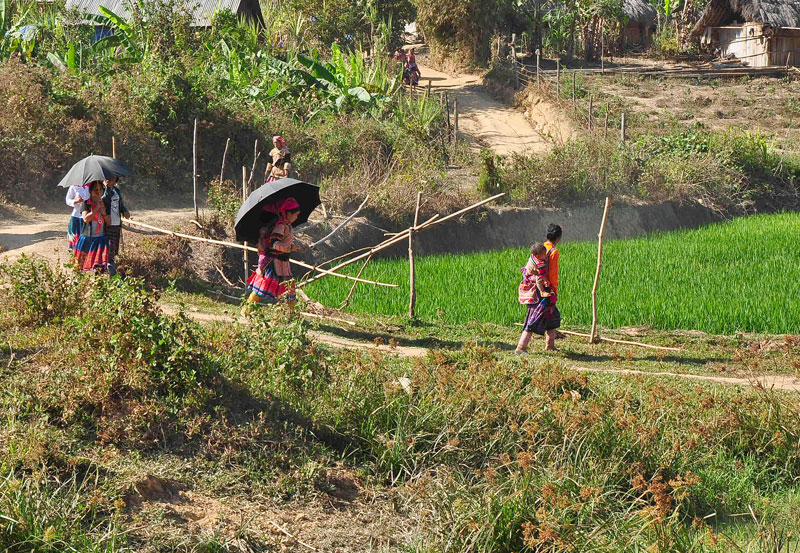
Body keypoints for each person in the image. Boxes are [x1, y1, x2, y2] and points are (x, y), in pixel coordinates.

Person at [241, 197, 305, 315]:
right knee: (262, 287)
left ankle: (292, 315)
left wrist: (291, 246)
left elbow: (283, 242)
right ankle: (246, 311)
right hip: (274, 263)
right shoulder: (280, 227)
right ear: (288, 213)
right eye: (295, 214)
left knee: (289, 289)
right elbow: (274, 244)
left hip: (283, 263)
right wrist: (290, 248)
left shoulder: (288, 226)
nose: (296, 217)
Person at [515, 224, 563, 353]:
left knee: (552, 316)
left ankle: (550, 345)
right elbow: (552, 273)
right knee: (534, 318)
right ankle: (521, 347)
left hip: (534, 286)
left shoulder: (540, 247)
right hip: (544, 289)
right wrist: (553, 290)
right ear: (558, 238)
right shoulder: (553, 252)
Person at [73, 180, 111, 272]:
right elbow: (86, 219)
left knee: (99, 267)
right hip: (88, 238)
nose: (98, 192)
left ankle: (98, 280)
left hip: (101, 239)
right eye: (95, 190)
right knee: (81, 266)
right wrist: (96, 209)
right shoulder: (86, 203)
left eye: (100, 189)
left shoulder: (105, 204)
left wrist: (104, 213)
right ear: (90, 191)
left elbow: (109, 222)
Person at [101, 177, 131, 277]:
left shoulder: (116, 189)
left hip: (116, 223)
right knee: (108, 248)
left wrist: (125, 211)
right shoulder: (101, 189)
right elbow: (104, 200)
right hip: (107, 223)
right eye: (109, 178)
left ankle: (110, 272)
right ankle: (111, 274)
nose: (110, 180)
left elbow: (120, 203)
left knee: (114, 249)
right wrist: (107, 188)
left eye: (113, 179)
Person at [65, 182, 90, 250]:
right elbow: (68, 200)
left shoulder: (92, 186)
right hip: (77, 215)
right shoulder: (74, 187)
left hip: (88, 215)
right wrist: (76, 201)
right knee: (75, 236)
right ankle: (74, 251)